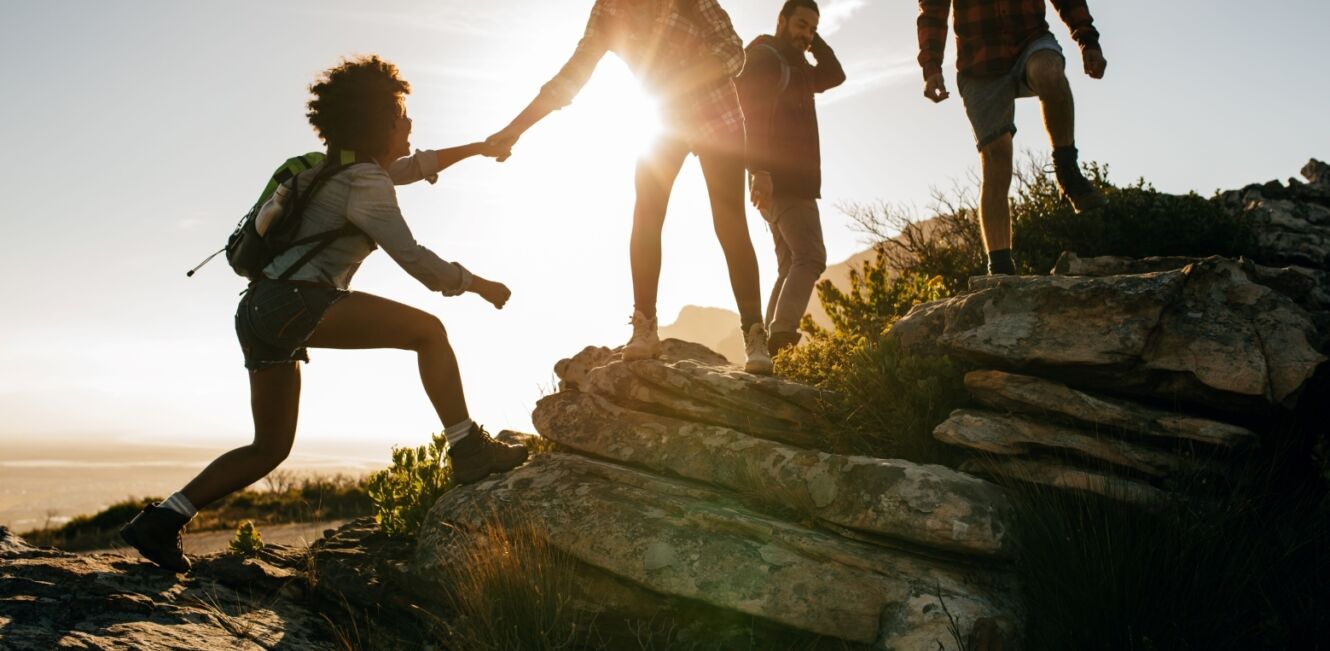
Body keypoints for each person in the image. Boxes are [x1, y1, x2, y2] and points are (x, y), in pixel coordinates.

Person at [119, 56, 529, 572]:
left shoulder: (328, 168)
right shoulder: (366, 182)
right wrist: (477, 284)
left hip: (258, 310)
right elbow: (414, 259)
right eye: (403, 119)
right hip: (297, 303)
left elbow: (412, 167)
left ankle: (162, 520)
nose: (410, 128)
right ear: (379, 124)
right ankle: (468, 448)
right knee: (429, 331)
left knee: (269, 448)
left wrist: (478, 148)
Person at [486, 0, 774, 374]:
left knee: (729, 219)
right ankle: (645, 327)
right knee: (646, 214)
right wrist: (515, 128)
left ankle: (754, 335)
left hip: (715, 112)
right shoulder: (607, 11)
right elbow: (572, 76)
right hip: (663, 119)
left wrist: (681, 81)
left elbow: (734, 53)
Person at [918, 0, 1109, 275]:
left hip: (1030, 41)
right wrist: (931, 67)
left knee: (1049, 73)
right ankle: (1001, 271)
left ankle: (1067, 170)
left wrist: (1087, 40)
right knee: (996, 159)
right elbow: (932, 12)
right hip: (979, 63)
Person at [735, 0, 845, 356]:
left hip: (783, 180)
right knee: (811, 257)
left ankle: (767, 346)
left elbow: (835, 75)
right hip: (781, 179)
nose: (806, 34)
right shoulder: (767, 58)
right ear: (781, 21)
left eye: (812, 28)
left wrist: (813, 43)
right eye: (800, 25)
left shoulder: (797, 66)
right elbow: (753, 115)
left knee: (790, 264)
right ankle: (781, 338)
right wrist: (761, 171)